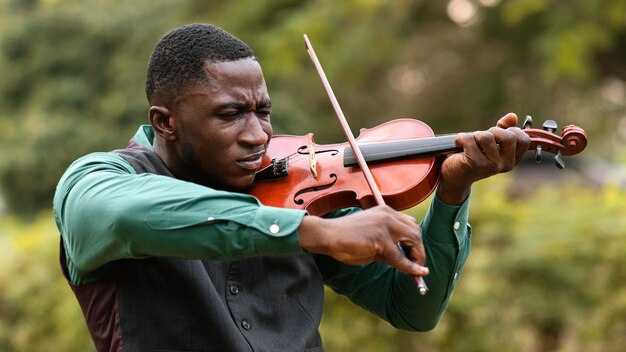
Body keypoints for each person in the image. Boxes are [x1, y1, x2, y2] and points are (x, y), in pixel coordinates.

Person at [53, 23, 530, 351]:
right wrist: (314, 232)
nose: (258, 135)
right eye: (230, 114)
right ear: (166, 121)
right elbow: (126, 215)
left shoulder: (302, 190)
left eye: (262, 111)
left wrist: (451, 192)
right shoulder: (98, 183)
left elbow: (411, 310)